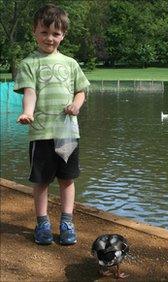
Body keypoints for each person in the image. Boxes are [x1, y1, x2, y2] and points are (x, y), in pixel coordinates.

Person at [14, 4, 90, 245]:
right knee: (42, 181)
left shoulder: (71, 63)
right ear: (34, 32)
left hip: (68, 133)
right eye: (44, 32)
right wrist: (27, 112)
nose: (50, 38)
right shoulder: (29, 63)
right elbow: (30, 92)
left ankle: (67, 221)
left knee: (67, 179)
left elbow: (81, 91)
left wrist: (77, 105)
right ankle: (42, 223)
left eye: (56, 33)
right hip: (41, 133)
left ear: (63, 35)